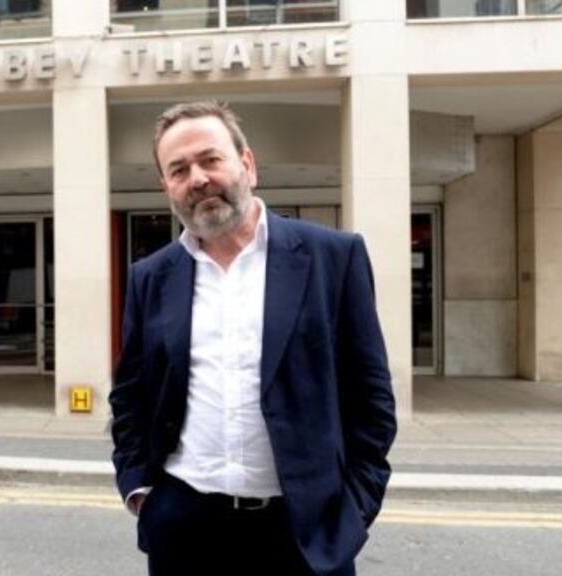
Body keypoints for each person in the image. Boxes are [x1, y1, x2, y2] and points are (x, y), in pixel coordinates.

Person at [109, 101, 397, 576]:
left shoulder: (333, 257)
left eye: (210, 159)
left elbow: (372, 401)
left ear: (247, 164)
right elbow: (130, 397)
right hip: (185, 530)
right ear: (167, 187)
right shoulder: (150, 277)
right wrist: (141, 493)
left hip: (304, 534)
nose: (197, 178)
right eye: (178, 169)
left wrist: (353, 512)